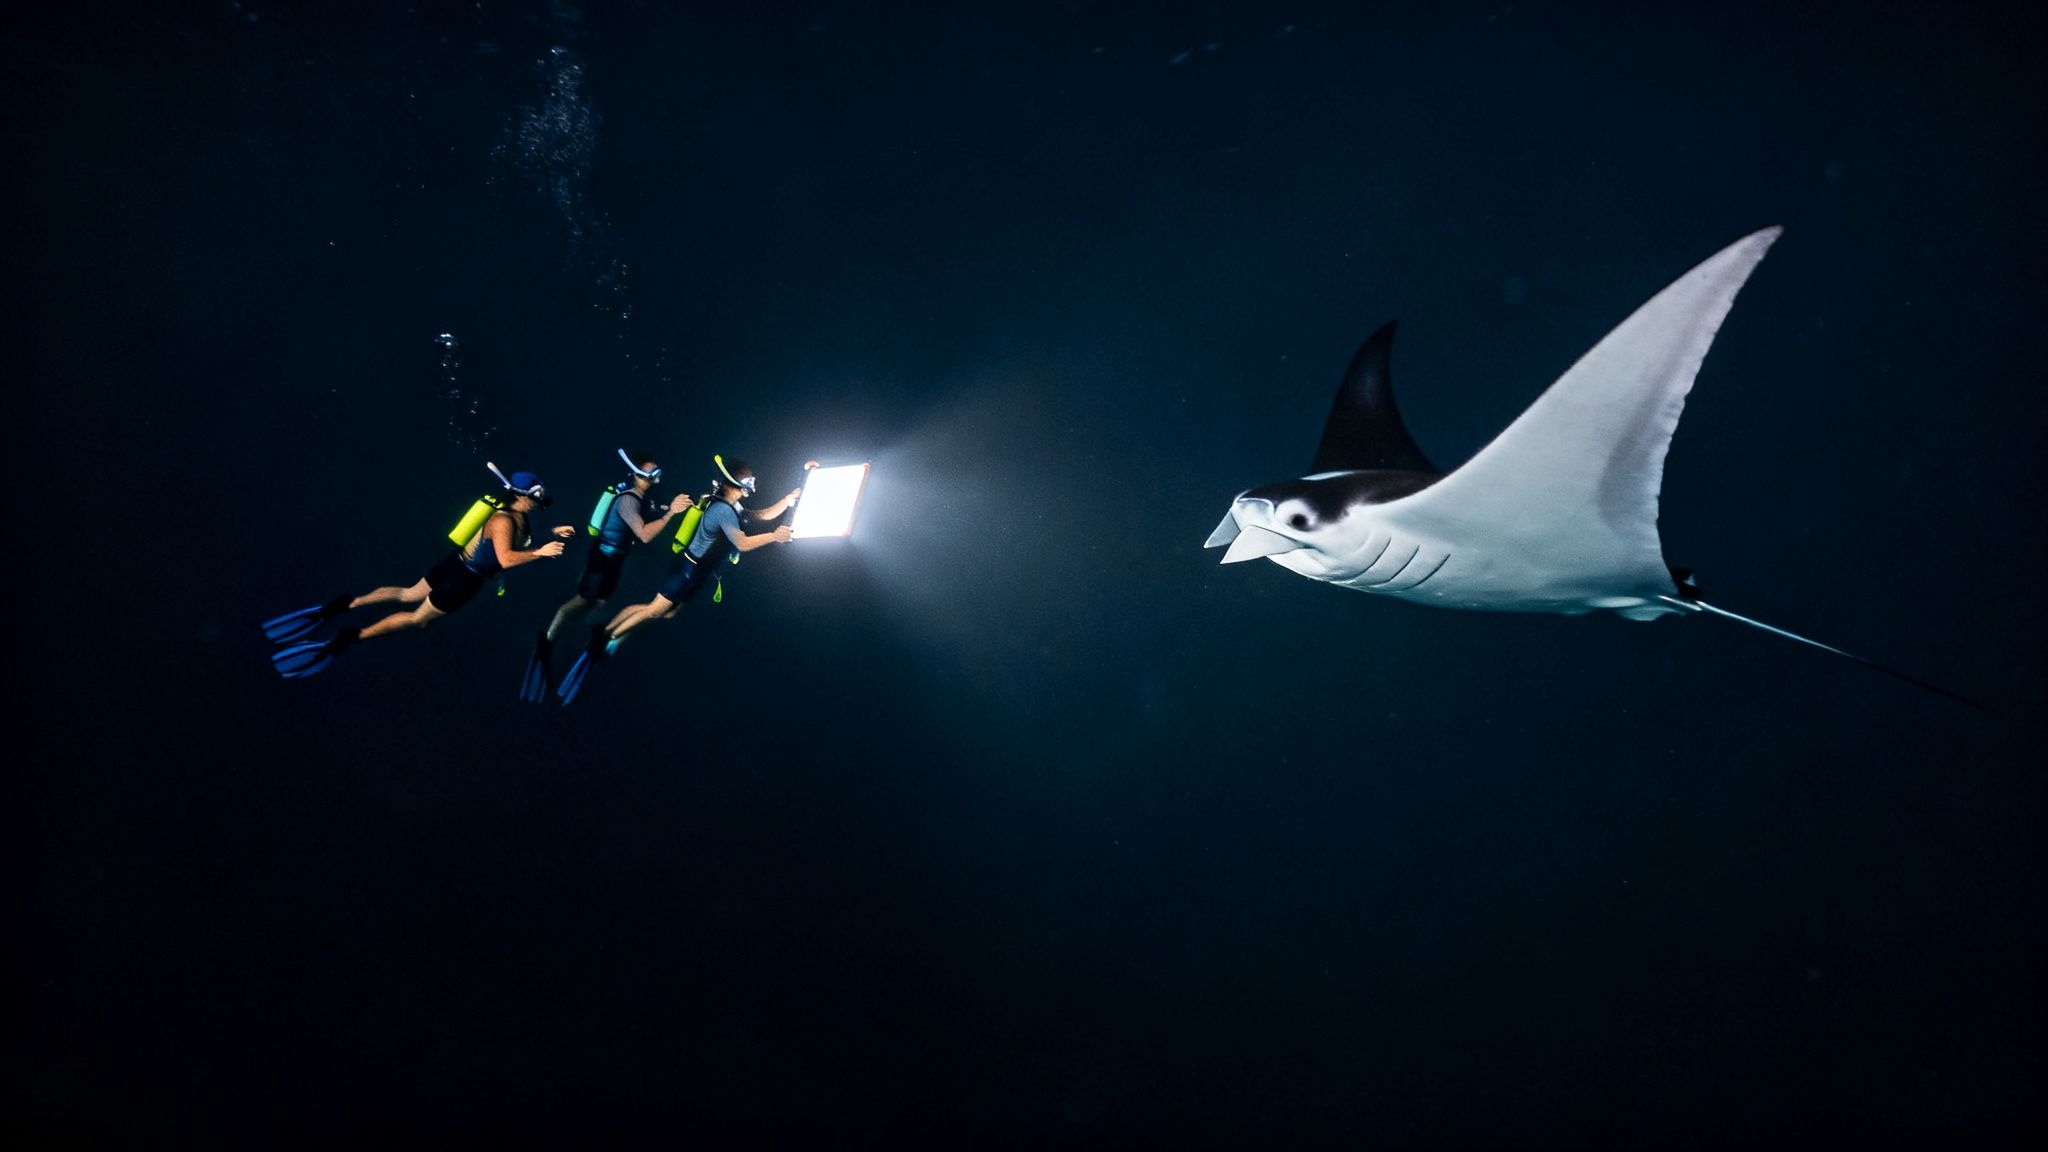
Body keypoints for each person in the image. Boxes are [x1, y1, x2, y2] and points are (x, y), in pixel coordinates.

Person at [264, 463, 573, 678]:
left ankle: (346, 604)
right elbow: (505, 558)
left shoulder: (515, 515)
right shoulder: (503, 521)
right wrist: (539, 553)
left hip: (454, 564)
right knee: (418, 620)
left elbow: (525, 532)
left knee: (408, 593)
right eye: (537, 496)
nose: (540, 500)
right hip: (464, 580)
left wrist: (552, 531)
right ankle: (350, 638)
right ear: (522, 496)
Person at [554, 454, 806, 706]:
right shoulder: (722, 510)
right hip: (688, 571)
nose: (752, 484)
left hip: (696, 573)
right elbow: (741, 542)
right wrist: (775, 537)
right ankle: (602, 641)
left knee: (664, 612)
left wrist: (786, 501)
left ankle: (607, 632)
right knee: (656, 609)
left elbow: (758, 516)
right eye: (748, 480)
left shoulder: (732, 506)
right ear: (735, 483)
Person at [518, 448, 692, 702]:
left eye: (658, 472)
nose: (656, 477)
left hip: (614, 560)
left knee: (596, 602)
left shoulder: (642, 499)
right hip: (602, 560)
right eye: (651, 472)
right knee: (581, 602)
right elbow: (643, 534)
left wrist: (670, 507)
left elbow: (651, 511)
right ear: (637, 474)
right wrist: (671, 513)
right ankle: (546, 642)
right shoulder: (628, 500)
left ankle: (589, 636)